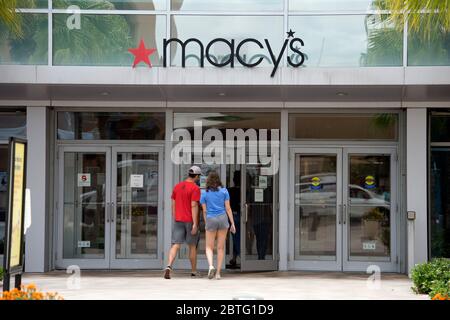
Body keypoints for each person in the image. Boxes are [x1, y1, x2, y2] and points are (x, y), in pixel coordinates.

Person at [164, 165, 202, 279]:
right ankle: (194, 271)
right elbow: (194, 205)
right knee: (192, 246)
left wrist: (175, 216)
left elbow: (173, 203)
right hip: (190, 220)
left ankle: (169, 265)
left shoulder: (177, 186)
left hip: (178, 219)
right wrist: (195, 223)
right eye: (198, 176)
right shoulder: (195, 188)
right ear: (196, 176)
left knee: (175, 245)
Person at [200, 171, 236, 279]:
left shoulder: (204, 193)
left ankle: (211, 266)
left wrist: (207, 223)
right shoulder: (224, 191)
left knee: (209, 247)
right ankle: (218, 273)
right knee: (220, 247)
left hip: (211, 218)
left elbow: (204, 211)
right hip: (223, 218)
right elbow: (228, 208)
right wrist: (232, 223)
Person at [227, 170, 241, 267]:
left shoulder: (229, 190)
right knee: (238, 238)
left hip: (231, 216)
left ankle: (235, 258)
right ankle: (240, 255)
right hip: (240, 216)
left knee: (235, 237)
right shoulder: (244, 190)